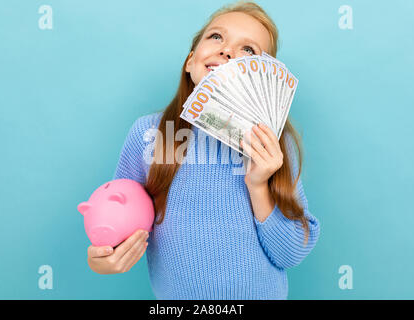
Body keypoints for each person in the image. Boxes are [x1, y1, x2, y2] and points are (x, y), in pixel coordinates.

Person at [87, 1, 320, 300]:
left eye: (247, 50)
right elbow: (119, 218)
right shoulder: (149, 135)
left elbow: (290, 254)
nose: (226, 51)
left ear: (264, 78)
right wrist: (104, 256)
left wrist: (259, 184)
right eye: (216, 37)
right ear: (190, 60)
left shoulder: (271, 145)